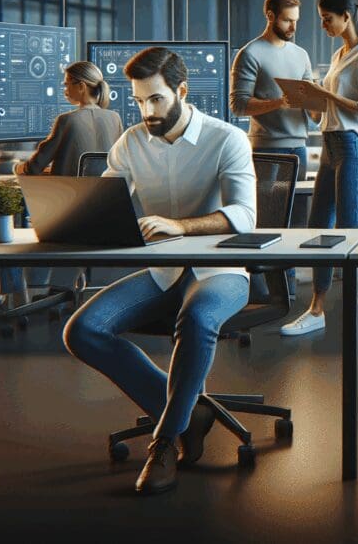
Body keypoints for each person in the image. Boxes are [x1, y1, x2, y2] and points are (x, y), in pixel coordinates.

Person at [62, 47, 257, 495]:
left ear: (182, 92)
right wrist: (72, 215)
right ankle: (191, 412)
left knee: (198, 317)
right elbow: (103, 203)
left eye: (156, 100)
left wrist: (180, 226)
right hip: (162, 271)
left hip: (221, 271)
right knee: (83, 330)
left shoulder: (226, 138)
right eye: (139, 101)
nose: (147, 111)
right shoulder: (131, 141)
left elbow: (245, 215)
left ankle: (165, 441)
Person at [279, 0, 358, 335]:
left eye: (327, 19)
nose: (323, 25)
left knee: (350, 232)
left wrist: (325, 94)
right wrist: (307, 100)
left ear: (346, 16)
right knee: (319, 227)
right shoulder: (340, 54)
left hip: (352, 148)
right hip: (329, 148)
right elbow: (330, 108)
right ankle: (318, 309)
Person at [1, 61, 123, 307]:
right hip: (104, 213)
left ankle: (19, 299)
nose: (64, 89)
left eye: (67, 84)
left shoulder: (67, 121)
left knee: (4, 237)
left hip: (67, 214)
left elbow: (34, 168)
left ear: (80, 86)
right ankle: (62, 286)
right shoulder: (115, 118)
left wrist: (15, 167)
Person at [229, 0, 314, 174]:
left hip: (299, 147)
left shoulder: (301, 54)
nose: (293, 27)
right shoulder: (250, 54)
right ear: (270, 16)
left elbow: (308, 99)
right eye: (287, 21)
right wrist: (279, 103)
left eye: (295, 21)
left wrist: (320, 102)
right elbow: (238, 105)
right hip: (267, 149)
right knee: (269, 204)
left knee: (299, 204)